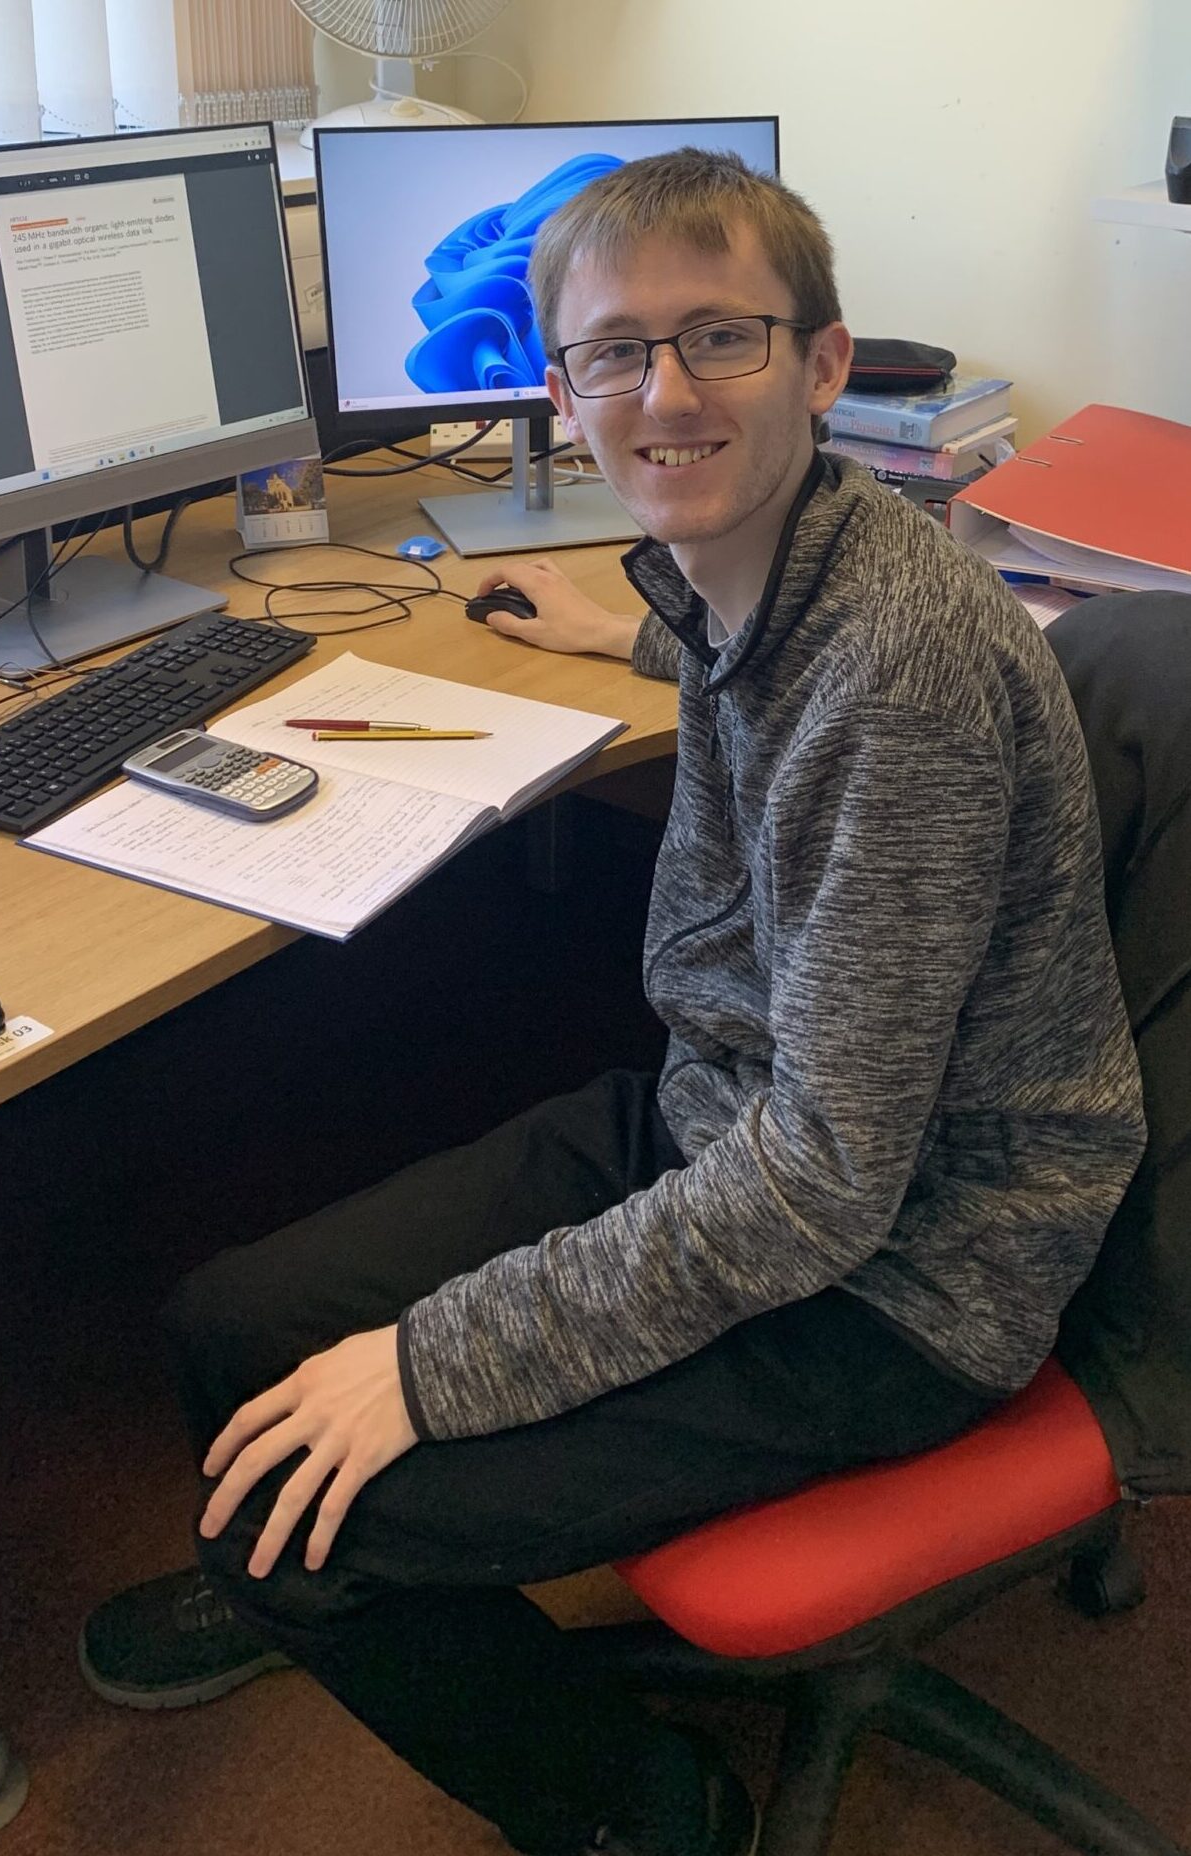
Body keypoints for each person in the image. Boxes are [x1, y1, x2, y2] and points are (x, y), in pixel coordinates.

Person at [79, 150, 1146, 1856]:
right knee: (229, 1323)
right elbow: (745, 659)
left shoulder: (900, 674)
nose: (660, 390)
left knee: (320, 1542)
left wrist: (433, 1371)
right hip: (734, 1123)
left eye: (719, 337)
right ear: (560, 387)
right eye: (611, 352)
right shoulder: (764, 568)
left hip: (905, 1268)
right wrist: (617, 634)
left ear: (819, 363)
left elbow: (823, 1190)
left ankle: (649, 1815)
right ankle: (312, 1567)